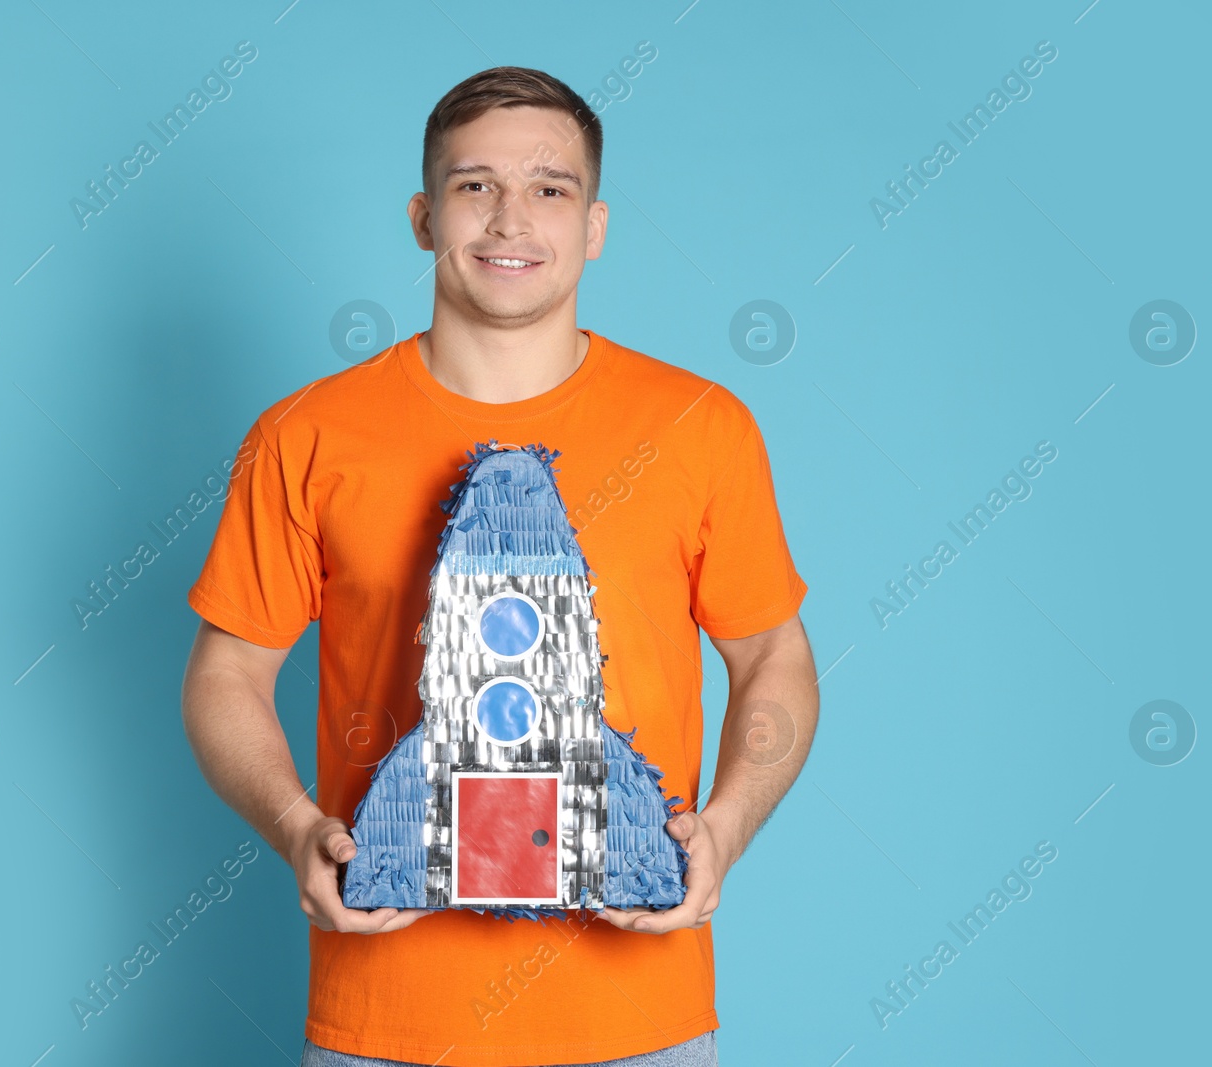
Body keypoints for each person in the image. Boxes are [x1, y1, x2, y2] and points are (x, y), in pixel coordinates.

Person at [180, 66, 818, 1067]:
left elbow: (773, 650)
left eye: (549, 188)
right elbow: (226, 672)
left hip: (639, 1017)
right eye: (475, 185)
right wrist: (296, 825)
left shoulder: (701, 429)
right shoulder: (304, 434)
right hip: (383, 1016)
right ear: (424, 216)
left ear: (594, 224)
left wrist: (725, 828)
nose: (510, 218)